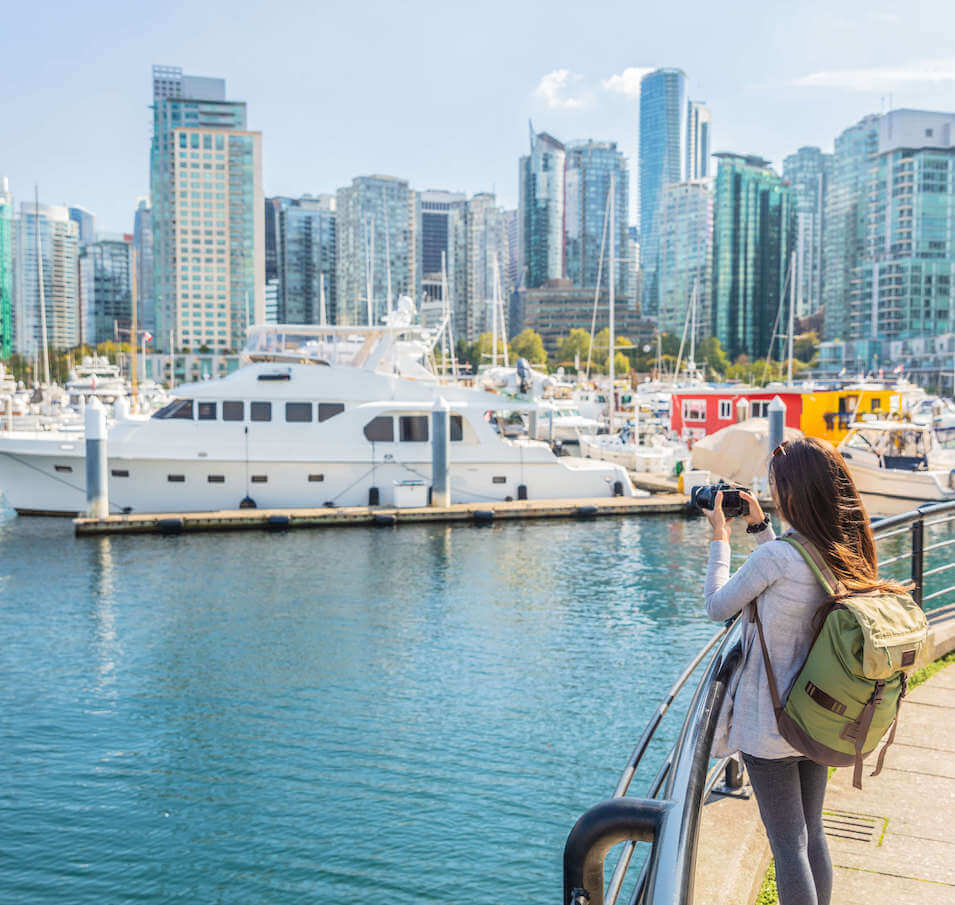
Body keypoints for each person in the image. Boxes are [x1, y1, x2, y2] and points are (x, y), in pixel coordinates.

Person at [702, 437, 892, 905]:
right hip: (822, 712)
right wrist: (762, 526)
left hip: (771, 724)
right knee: (812, 836)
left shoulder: (777, 559)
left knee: (788, 848)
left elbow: (717, 605)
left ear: (793, 493)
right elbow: (794, 576)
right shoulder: (845, 552)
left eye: (774, 485)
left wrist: (720, 538)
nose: (771, 491)